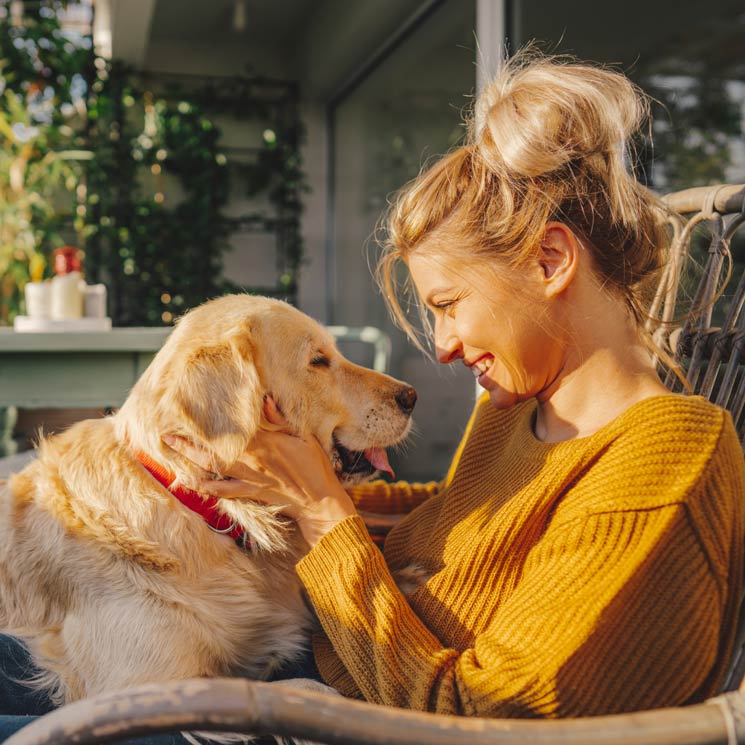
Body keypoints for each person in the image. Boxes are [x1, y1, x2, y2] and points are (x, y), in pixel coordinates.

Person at [2, 50, 744, 739]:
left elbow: (487, 717)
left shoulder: (665, 458)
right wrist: (293, 485)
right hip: (321, 661)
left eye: (449, 302)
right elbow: (467, 517)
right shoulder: (520, 407)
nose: (444, 346)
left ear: (550, 259)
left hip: (339, 715)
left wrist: (325, 512)